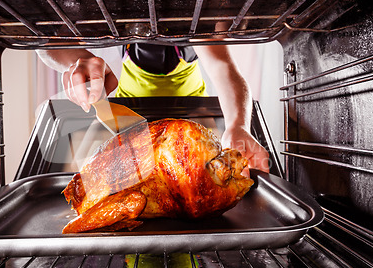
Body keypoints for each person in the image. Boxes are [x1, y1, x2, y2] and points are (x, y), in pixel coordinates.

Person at [36, 42, 270, 175]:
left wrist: (237, 124)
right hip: (131, 109)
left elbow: (223, 67)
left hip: (189, 111)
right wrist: (79, 58)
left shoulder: (197, 8)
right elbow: (44, 43)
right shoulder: (117, 3)